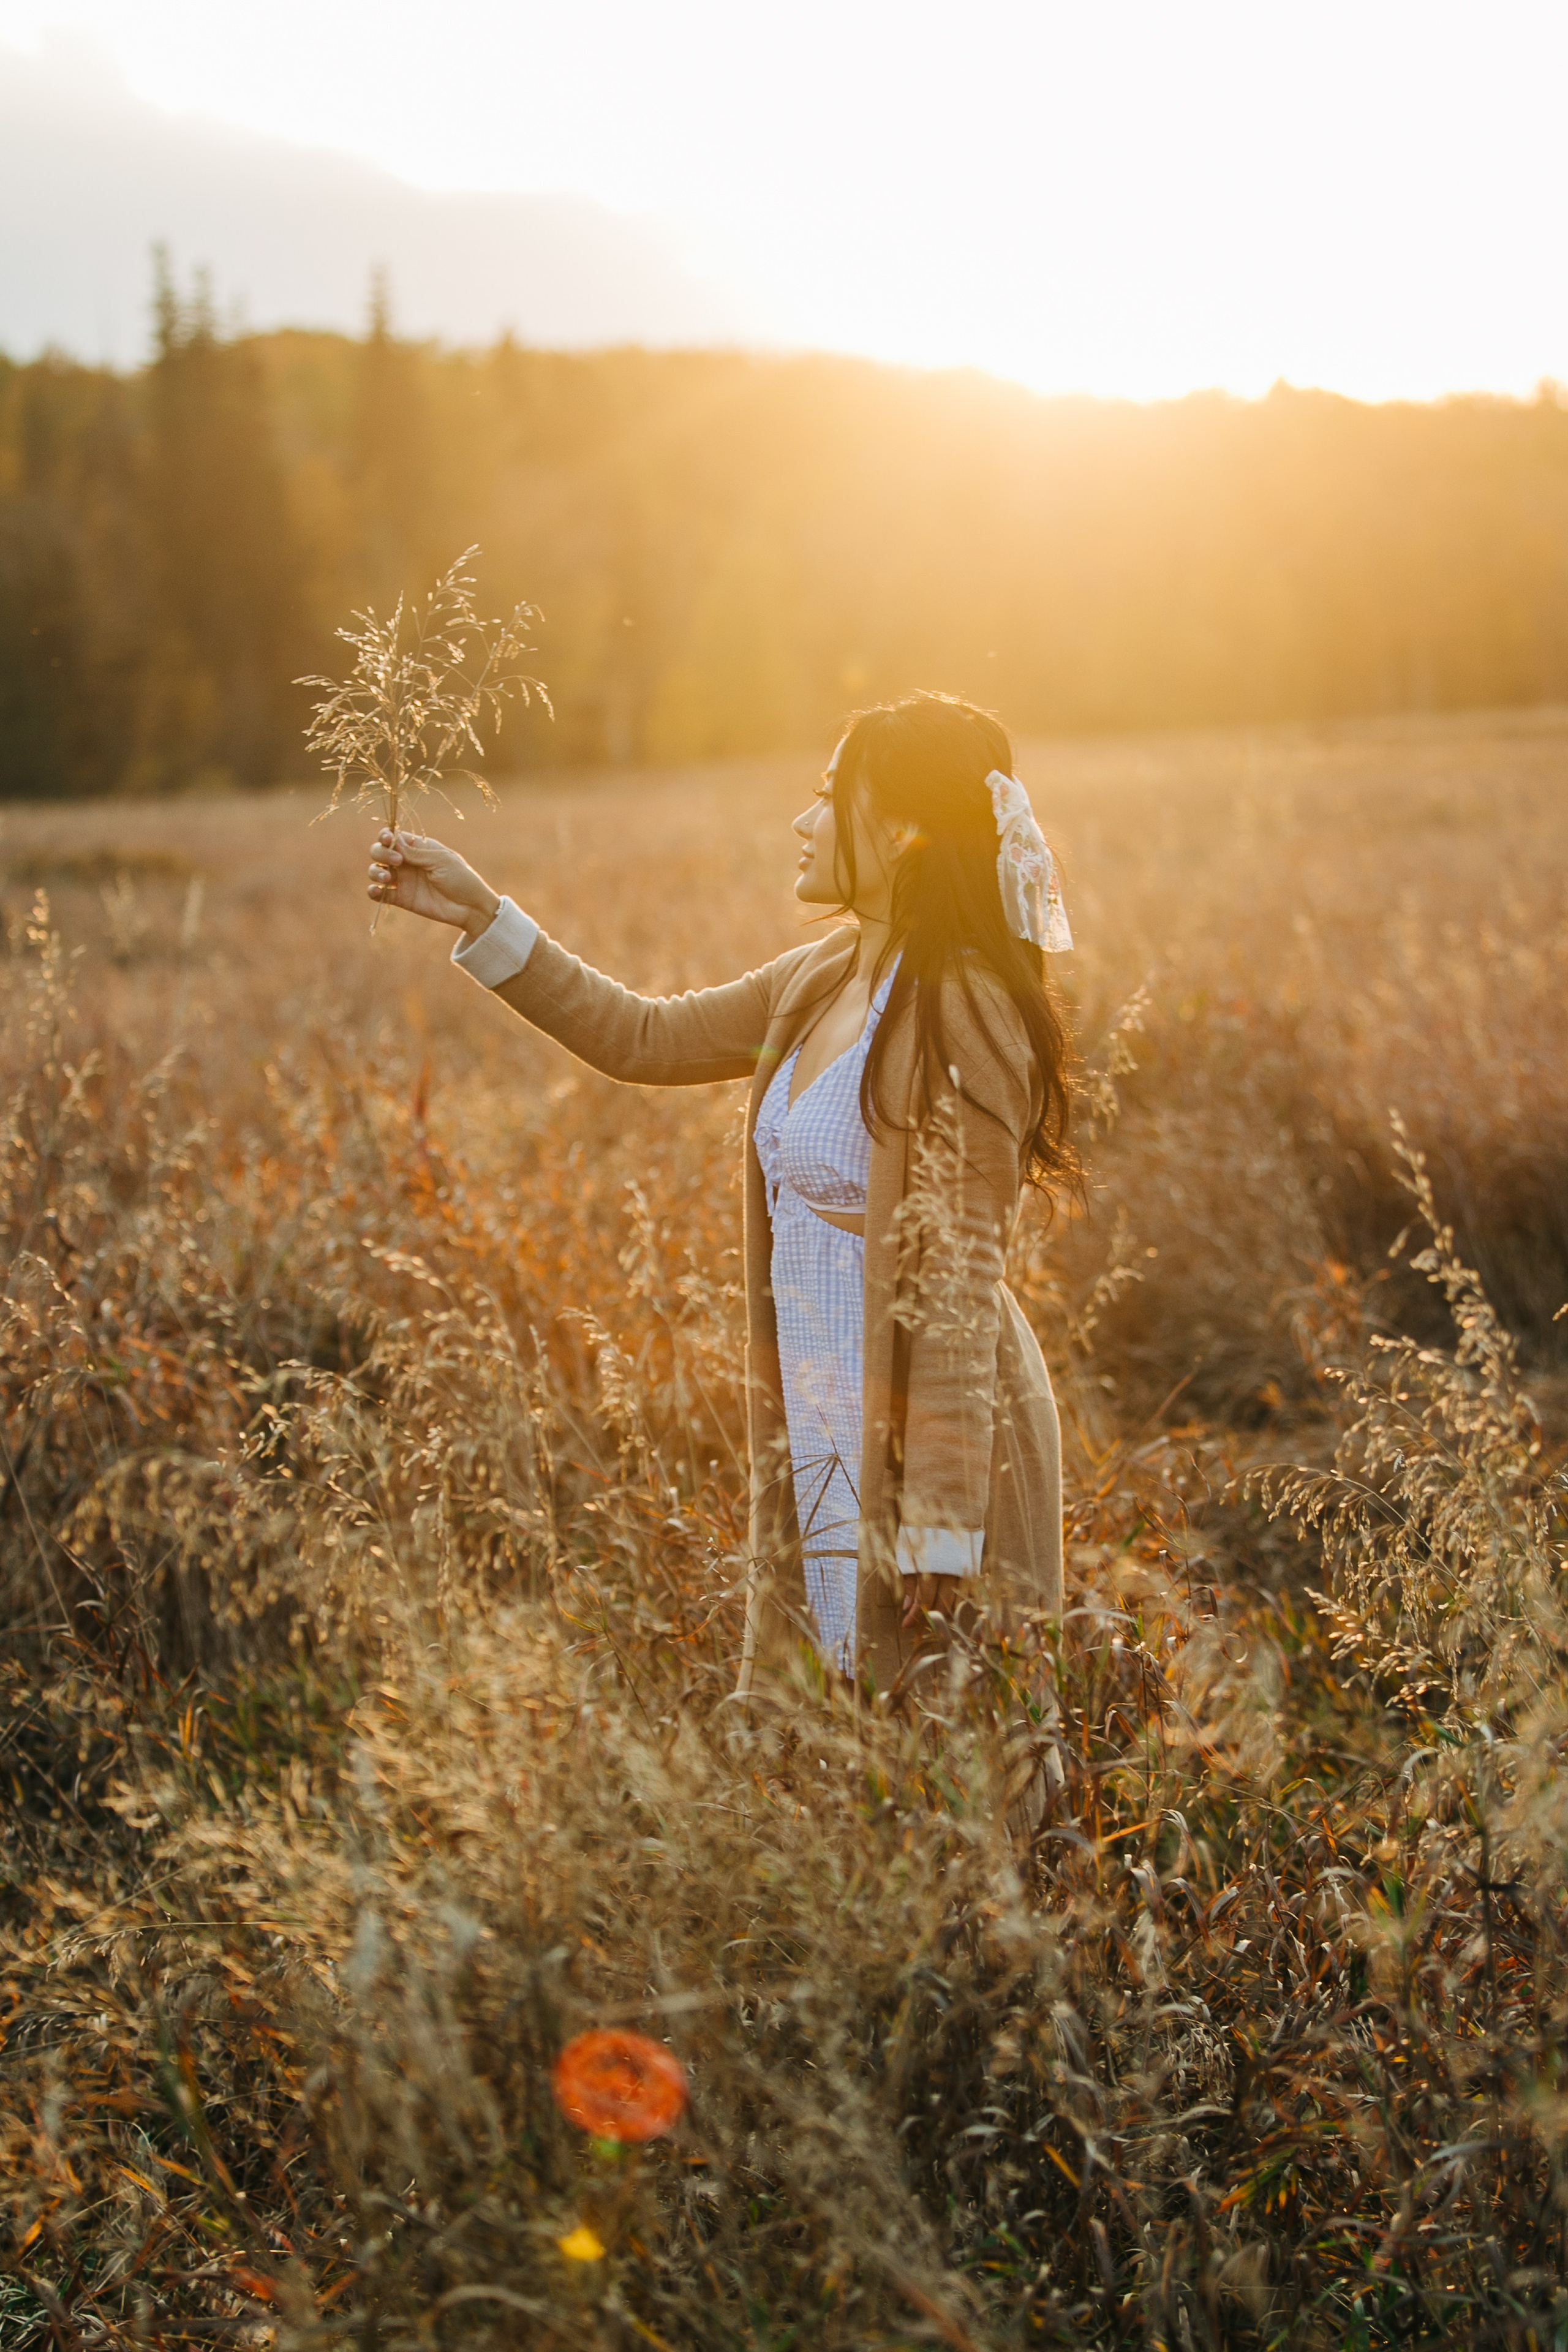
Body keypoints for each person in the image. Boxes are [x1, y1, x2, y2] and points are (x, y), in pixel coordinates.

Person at [367, 691, 1074, 1698]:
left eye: (831, 797)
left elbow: (959, 1280)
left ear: (903, 827)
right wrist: (484, 913)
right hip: (822, 1392)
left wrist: (944, 1526)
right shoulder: (824, 975)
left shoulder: (967, 1004)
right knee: (825, 1709)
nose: (803, 820)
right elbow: (644, 1037)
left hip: (929, 1427)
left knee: (950, 1746)